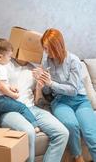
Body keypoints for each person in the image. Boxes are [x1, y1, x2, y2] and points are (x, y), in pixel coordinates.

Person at [0, 35, 69, 162]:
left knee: (63, 133)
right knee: (29, 132)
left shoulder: (34, 69)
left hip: (32, 108)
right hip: (10, 110)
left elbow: (37, 101)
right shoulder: (3, 63)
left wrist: (39, 87)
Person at [33, 28, 96, 162]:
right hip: (60, 102)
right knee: (71, 124)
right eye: (45, 48)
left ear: (58, 46)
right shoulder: (46, 62)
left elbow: (73, 89)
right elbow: (48, 93)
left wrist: (51, 83)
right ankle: (78, 158)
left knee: (91, 134)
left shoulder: (73, 60)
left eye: (49, 48)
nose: (47, 52)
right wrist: (42, 84)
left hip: (80, 100)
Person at [0, 38, 40, 133]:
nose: (11, 59)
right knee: (21, 107)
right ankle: (35, 125)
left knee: (17, 105)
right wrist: (13, 95)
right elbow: (1, 87)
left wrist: (10, 87)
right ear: (0, 57)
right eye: (9, 57)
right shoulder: (1, 69)